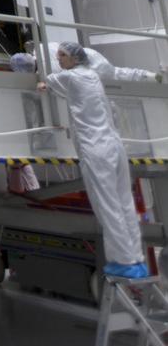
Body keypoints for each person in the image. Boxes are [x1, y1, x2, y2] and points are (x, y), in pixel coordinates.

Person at [38, 42, 147, 279]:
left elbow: (46, 80)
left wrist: (37, 74)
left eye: (63, 55)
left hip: (96, 150)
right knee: (124, 202)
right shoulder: (93, 76)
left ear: (75, 58)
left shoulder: (69, 77)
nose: (59, 59)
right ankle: (137, 259)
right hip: (114, 146)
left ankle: (124, 261)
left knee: (107, 205)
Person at [14, 40, 160, 84]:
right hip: (89, 55)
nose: (58, 59)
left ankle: (150, 77)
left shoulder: (45, 75)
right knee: (118, 73)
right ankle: (150, 76)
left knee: (115, 80)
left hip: (88, 70)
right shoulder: (40, 48)